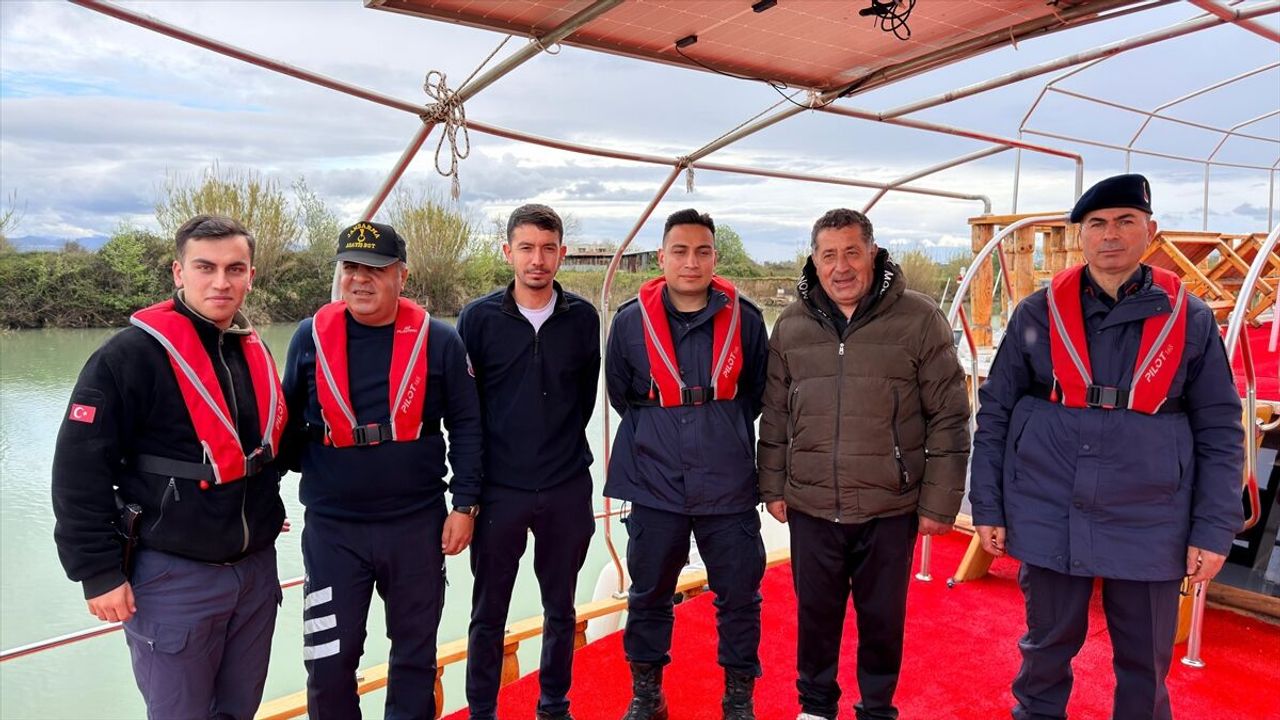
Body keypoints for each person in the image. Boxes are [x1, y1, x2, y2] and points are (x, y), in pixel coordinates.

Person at [968, 174, 1244, 720]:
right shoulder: (1037, 313)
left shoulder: (1190, 319)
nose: (1110, 235)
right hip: (1050, 508)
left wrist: (1214, 529)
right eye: (1097, 224)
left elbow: (1220, 428)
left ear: (1150, 231)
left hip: (1152, 519)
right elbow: (995, 413)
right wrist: (988, 506)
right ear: (1081, 235)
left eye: (1125, 221)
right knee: (1045, 652)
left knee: (1145, 666)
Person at [52, 214, 288, 720]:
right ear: (179, 272)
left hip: (254, 573)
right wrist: (97, 572)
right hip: (174, 577)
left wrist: (262, 506)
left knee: (240, 710)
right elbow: (78, 470)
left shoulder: (251, 350)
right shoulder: (128, 357)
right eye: (205, 267)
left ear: (250, 276)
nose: (221, 282)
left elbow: (267, 449)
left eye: (235, 268)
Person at [757, 208, 970, 720]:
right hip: (812, 503)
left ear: (873, 253)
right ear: (813, 260)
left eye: (852, 252)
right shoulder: (791, 325)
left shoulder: (919, 319)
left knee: (881, 620)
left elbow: (949, 416)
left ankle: (876, 707)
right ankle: (815, 707)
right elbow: (776, 413)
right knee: (815, 616)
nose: (841, 267)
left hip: (888, 504)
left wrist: (939, 503)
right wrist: (773, 486)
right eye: (829, 255)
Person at [282, 220, 483, 720]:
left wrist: (465, 505)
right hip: (332, 531)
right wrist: (263, 502)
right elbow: (284, 425)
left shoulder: (440, 341)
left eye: (375, 269)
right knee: (328, 665)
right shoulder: (309, 338)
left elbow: (467, 426)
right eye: (351, 267)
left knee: (414, 658)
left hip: (415, 526)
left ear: (402, 276)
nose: (361, 279)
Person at [605, 208, 769, 720]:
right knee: (648, 595)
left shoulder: (747, 319)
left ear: (715, 257)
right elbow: (622, 395)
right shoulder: (629, 322)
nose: (691, 262)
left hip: (728, 483)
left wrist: (717, 426)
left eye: (702, 252)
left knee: (739, 597)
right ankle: (647, 695)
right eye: (680, 251)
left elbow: (756, 394)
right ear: (662, 257)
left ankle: (738, 699)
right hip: (654, 482)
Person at [458, 204, 601, 720]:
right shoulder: (477, 320)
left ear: (562, 253)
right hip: (500, 489)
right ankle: (481, 711)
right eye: (526, 248)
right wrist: (468, 494)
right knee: (487, 612)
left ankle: (554, 706)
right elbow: (465, 411)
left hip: (565, 485)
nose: (537, 259)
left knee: (560, 608)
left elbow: (584, 398)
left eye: (547, 248)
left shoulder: (583, 318)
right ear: (508, 252)